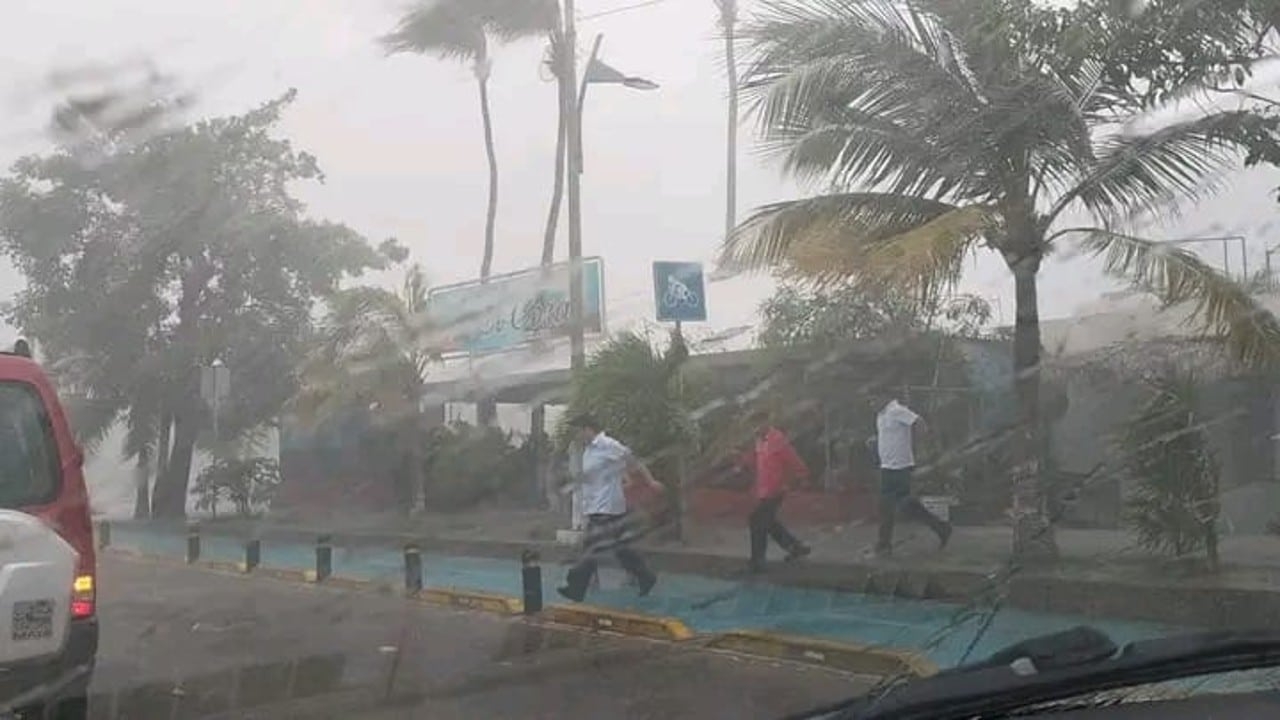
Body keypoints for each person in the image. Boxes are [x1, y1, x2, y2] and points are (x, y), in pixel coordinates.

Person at [558, 413, 663, 602]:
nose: (576, 435)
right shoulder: (589, 450)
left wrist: (651, 481)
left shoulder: (608, 445)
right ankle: (646, 576)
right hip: (597, 506)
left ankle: (576, 588)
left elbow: (633, 461)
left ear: (588, 429)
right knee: (618, 548)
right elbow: (597, 474)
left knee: (591, 547)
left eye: (578, 431)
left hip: (605, 506)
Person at [872, 394, 952, 556]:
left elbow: (918, 422)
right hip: (887, 466)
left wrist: (920, 443)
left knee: (890, 505)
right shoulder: (881, 415)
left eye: (873, 399)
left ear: (883, 397)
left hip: (900, 467)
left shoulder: (896, 410)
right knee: (905, 505)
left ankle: (884, 544)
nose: (871, 404)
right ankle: (941, 527)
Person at [744, 410, 811, 574]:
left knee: (757, 521)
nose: (756, 429)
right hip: (764, 490)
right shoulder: (759, 441)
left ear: (766, 422)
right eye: (753, 426)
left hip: (776, 489)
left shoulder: (777, 439)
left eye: (758, 424)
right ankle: (795, 547)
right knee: (768, 522)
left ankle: (757, 561)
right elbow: (760, 463)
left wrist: (802, 476)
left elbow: (792, 459)